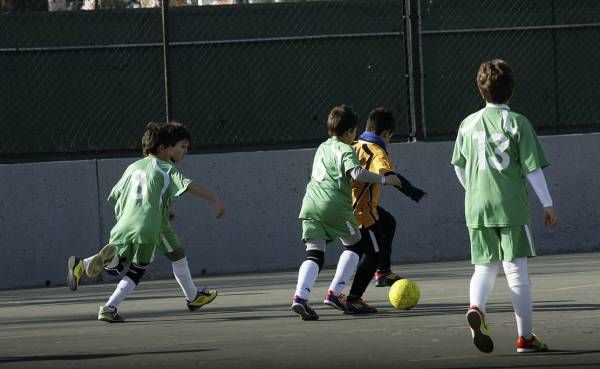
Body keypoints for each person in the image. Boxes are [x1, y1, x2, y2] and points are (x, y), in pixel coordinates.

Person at [67, 122, 224, 322]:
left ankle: (88, 264)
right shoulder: (166, 168)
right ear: (163, 148)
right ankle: (109, 307)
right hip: (149, 227)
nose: (185, 152)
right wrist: (215, 200)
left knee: (127, 263)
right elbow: (189, 186)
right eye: (181, 147)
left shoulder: (132, 167)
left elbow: (118, 196)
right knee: (136, 270)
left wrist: (159, 214)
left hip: (125, 222)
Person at [451, 59, 558, 353]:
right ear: (512, 90)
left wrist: (473, 190)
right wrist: (547, 203)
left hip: (476, 205)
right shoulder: (518, 123)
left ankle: (477, 308)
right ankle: (525, 337)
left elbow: (459, 167)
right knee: (516, 271)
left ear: (480, 89)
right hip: (510, 206)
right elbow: (533, 169)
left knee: (483, 267)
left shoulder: (467, 123)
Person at [291, 105, 402, 321]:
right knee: (356, 246)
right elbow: (357, 172)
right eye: (354, 132)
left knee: (314, 253)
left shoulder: (322, 147)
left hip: (310, 204)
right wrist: (383, 179)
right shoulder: (345, 149)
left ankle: (300, 298)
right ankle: (335, 293)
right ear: (350, 132)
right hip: (334, 206)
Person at [344, 107, 426, 314]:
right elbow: (391, 177)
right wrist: (413, 192)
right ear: (386, 134)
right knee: (373, 252)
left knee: (388, 222)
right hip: (361, 212)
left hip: (345, 205)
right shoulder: (377, 151)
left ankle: (383, 272)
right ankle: (353, 298)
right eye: (390, 137)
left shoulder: (352, 144)